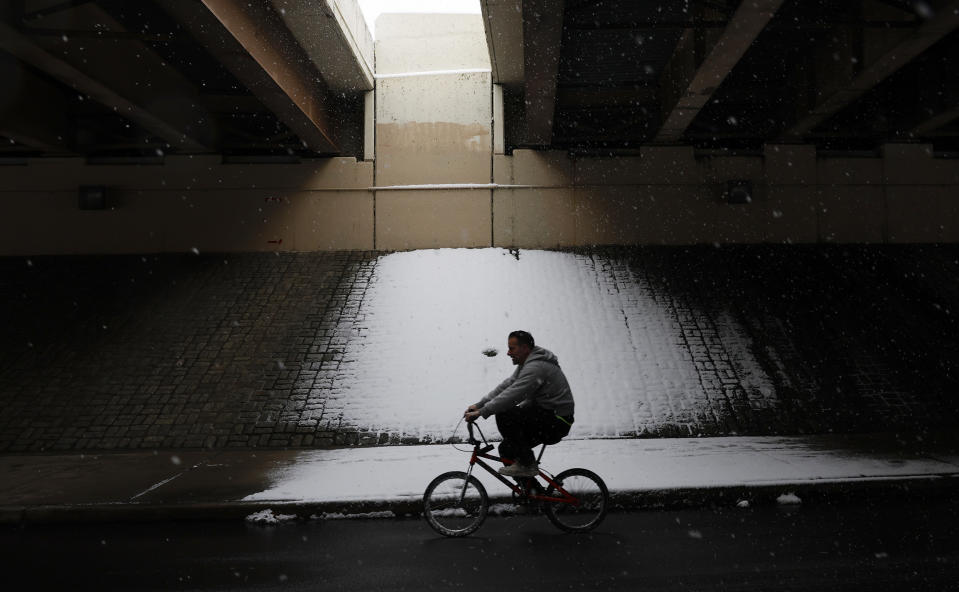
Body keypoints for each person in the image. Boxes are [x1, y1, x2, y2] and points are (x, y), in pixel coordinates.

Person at [464, 330, 575, 477]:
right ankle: (532, 493)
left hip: (557, 421)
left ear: (525, 348)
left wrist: (482, 411)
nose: (508, 353)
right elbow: (507, 386)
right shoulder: (527, 364)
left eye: (512, 348)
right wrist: (480, 404)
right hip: (546, 417)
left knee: (505, 413)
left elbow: (513, 395)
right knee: (507, 449)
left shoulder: (536, 368)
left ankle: (527, 464)